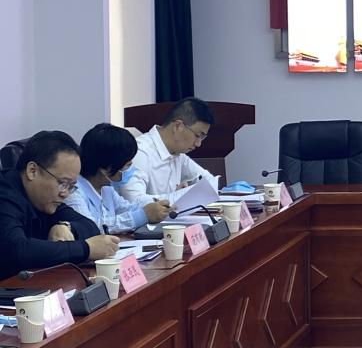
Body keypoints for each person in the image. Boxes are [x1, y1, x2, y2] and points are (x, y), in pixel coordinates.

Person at [0, 131, 119, 278]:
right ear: (32, 171)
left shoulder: (45, 199)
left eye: (71, 186)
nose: (65, 193)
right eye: (62, 183)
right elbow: (18, 250)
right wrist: (86, 249)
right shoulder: (5, 195)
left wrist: (66, 227)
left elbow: (90, 226)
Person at [65, 124, 171, 233]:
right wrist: (142, 216)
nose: (131, 170)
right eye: (127, 166)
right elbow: (90, 227)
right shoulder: (73, 192)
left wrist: (155, 207)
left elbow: (126, 208)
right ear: (105, 169)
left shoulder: (106, 188)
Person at [119, 97, 219, 203]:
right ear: (178, 126)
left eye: (202, 138)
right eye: (198, 135)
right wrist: (178, 196)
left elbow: (209, 182)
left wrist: (183, 194)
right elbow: (134, 201)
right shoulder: (140, 152)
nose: (198, 144)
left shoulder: (178, 153)